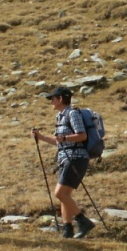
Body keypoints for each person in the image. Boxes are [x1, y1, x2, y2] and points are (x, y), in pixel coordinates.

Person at [32, 87, 95, 239]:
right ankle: (67, 229)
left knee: (59, 193)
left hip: (75, 157)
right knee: (64, 195)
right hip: (67, 158)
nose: (51, 102)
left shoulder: (72, 114)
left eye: (52, 99)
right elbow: (59, 142)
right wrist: (41, 137)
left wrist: (65, 138)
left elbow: (82, 136)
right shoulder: (60, 116)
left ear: (60, 99)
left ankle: (83, 221)